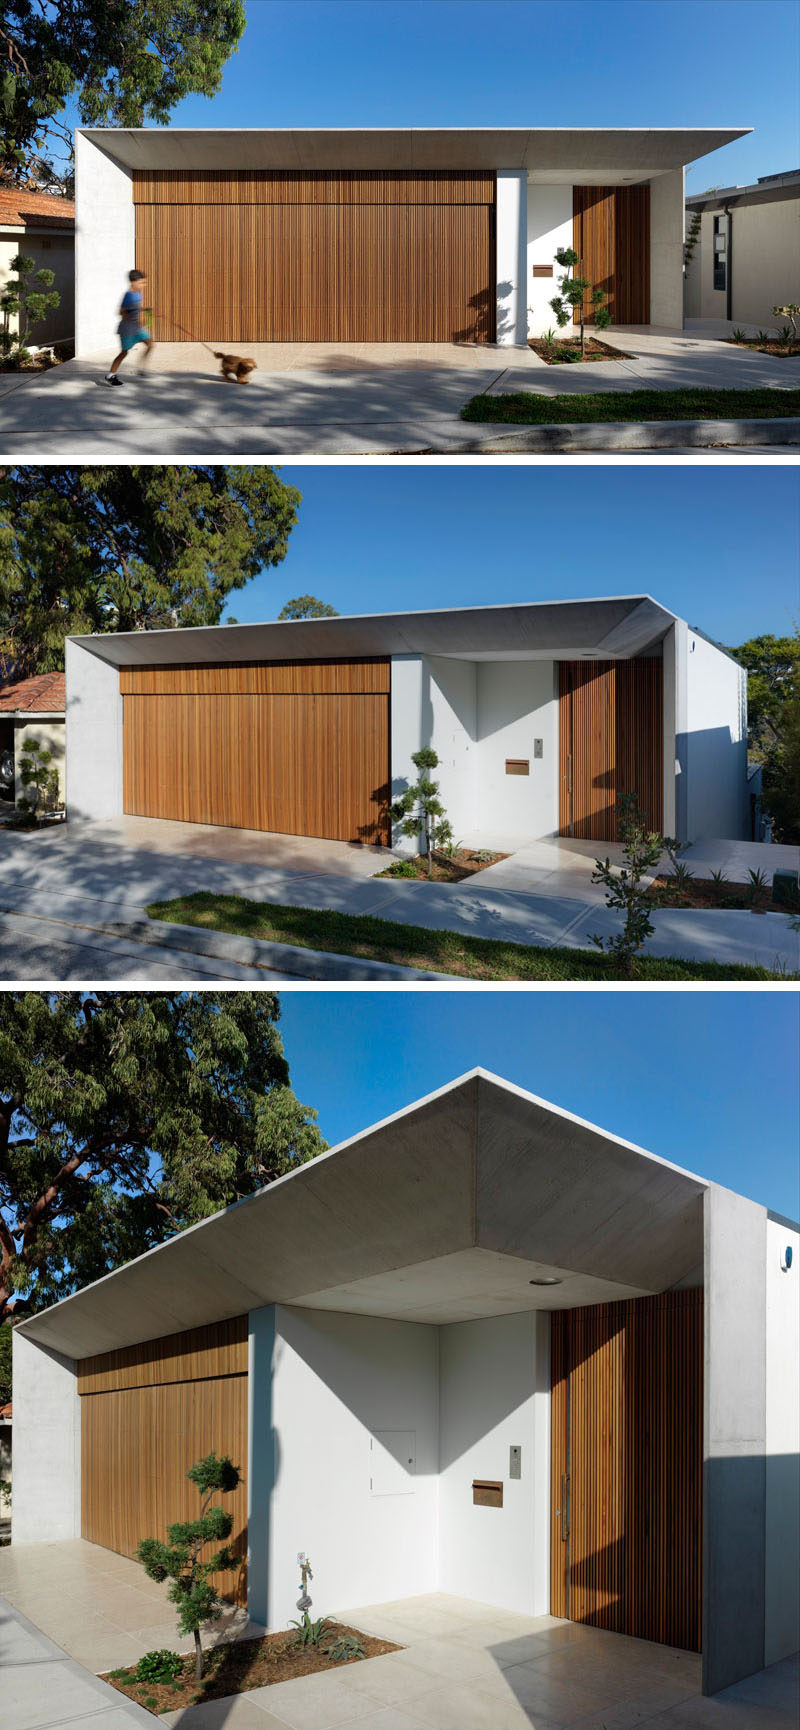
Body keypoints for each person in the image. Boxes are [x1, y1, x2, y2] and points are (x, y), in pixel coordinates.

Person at [103, 269, 154, 385]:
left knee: (150, 344)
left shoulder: (138, 293)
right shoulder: (128, 295)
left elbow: (135, 308)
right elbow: (120, 312)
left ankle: (141, 368)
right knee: (124, 353)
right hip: (127, 329)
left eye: (144, 283)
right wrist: (133, 320)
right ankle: (110, 375)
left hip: (137, 328)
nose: (144, 285)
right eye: (141, 283)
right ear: (133, 282)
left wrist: (145, 309)